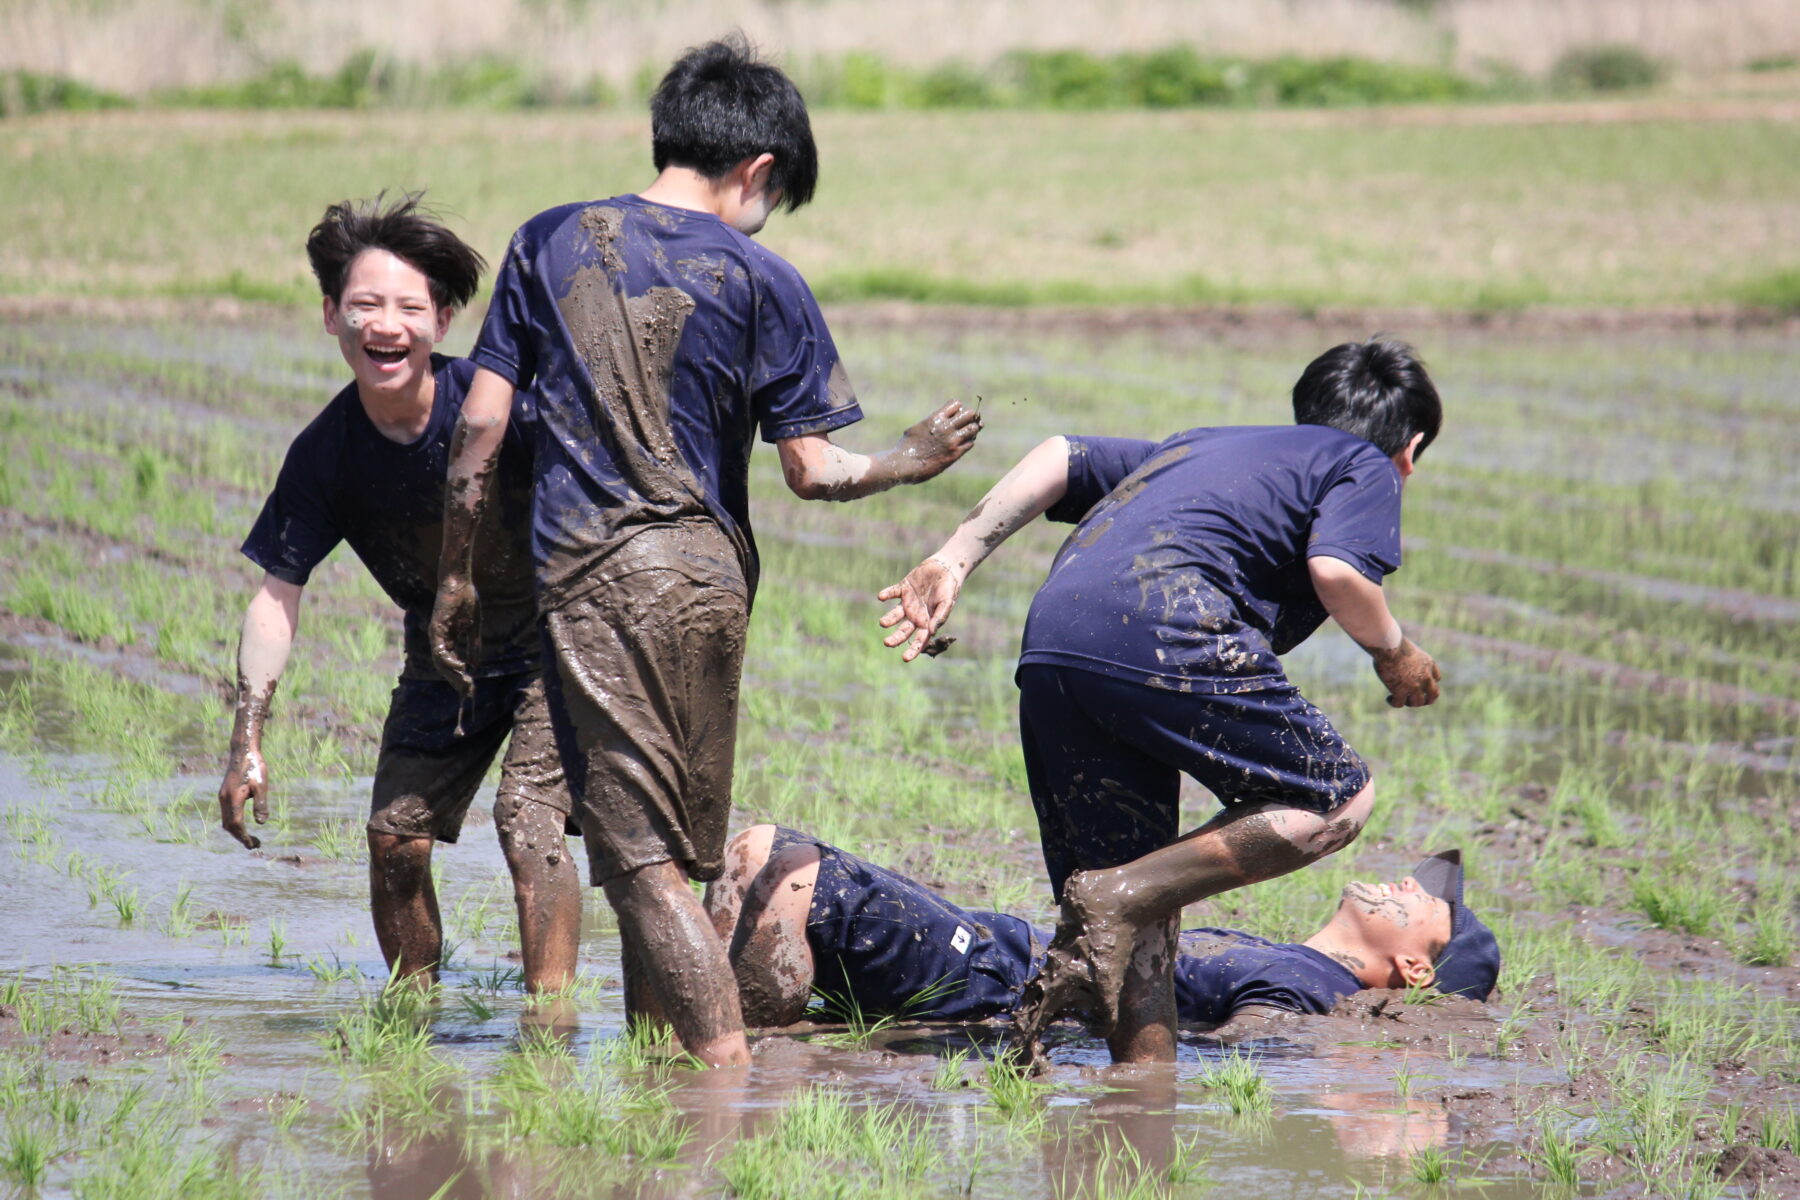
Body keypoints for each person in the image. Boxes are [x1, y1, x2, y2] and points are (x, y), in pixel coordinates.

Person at [427, 37, 981, 1067]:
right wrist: (906, 462)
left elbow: (479, 436)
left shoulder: (547, 241)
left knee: (641, 863)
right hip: (712, 585)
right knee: (621, 831)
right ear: (759, 169)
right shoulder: (766, 278)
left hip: (599, 578)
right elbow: (813, 471)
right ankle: (652, 1068)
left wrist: (457, 572)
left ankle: (717, 1087)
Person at [879, 337, 1445, 1063]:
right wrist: (1395, 653)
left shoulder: (1201, 445)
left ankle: (1143, 1087)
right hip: (1168, 622)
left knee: (1134, 934)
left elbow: (1060, 456)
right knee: (1338, 796)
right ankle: (1117, 892)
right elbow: (1336, 571)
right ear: (1411, 448)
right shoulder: (1363, 465)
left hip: (1055, 637)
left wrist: (952, 557)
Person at [218, 195, 581, 994]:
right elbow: (277, 595)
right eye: (365, 305)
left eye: (409, 307)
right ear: (330, 316)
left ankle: (548, 1023)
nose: (386, 325)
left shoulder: (500, 413)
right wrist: (248, 733)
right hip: (445, 653)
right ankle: (414, 1014)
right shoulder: (324, 454)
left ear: (443, 321)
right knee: (395, 840)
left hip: (556, 642)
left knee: (528, 827)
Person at [707, 826, 1499, 1040]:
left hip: (990, 982)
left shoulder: (1309, 993)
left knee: (779, 864)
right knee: (764, 859)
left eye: (1427, 901)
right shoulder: (1292, 961)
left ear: (1415, 970)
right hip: (990, 952)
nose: (1406, 881)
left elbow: (1242, 1061)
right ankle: (745, 1044)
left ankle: (732, 1054)